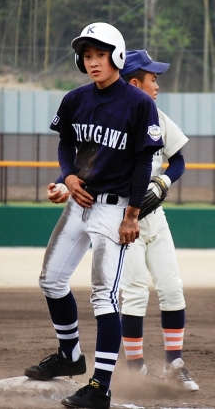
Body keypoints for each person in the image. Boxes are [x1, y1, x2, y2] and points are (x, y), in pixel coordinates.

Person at [24, 23, 163, 409]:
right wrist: (67, 178)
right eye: (87, 56)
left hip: (115, 209)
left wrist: (132, 215)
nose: (93, 62)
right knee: (51, 280)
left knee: (104, 295)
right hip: (79, 202)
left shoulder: (139, 104)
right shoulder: (75, 100)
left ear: (117, 56)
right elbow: (66, 144)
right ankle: (69, 355)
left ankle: (100, 387)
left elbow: (143, 162)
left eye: (100, 54)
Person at [47, 49, 198, 392]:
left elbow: (177, 160)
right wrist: (64, 183)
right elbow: (87, 165)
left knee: (171, 287)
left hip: (152, 216)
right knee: (133, 292)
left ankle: (174, 364)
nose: (157, 85)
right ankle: (135, 369)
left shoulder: (156, 116)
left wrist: (163, 182)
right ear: (134, 82)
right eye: (152, 78)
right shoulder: (104, 115)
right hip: (119, 216)